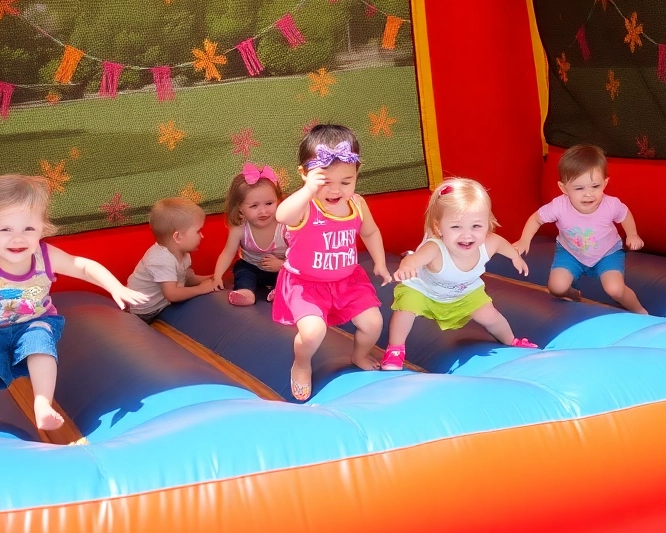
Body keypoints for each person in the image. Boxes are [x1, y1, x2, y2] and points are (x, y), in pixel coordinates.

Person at [0, 174, 147, 437]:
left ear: (42, 229)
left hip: (32, 321)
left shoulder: (45, 256)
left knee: (40, 344)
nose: (18, 239)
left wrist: (116, 287)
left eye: (28, 229)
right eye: (5, 230)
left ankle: (42, 403)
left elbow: (83, 266)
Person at [273, 124, 390, 401]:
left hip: (347, 281)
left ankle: (359, 354)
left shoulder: (358, 204)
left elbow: (370, 231)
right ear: (305, 174)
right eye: (326, 182)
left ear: (357, 174)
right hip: (306, 284)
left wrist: (380, 263)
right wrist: (307, 190)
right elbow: (281, 215)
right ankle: (301, 364)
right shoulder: (305, 206)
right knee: (313, 332)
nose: (336, 190)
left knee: (373, 323)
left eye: (346, 182)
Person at [381, 179, 538, 371]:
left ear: (487, 224)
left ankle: (512, 341)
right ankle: (395, 350)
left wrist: (515, 257)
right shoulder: (435, 248)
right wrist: (407, 266)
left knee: (492, 317)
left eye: (476, 226)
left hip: (464, 292)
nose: (467, 235)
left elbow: (501, 244)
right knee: (406, 309)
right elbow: (414, 259)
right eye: (456, 227)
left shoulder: (489, 243)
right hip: (425, 290)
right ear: (439, 228)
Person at [513, 144, 648, 314]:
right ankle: (574, 294)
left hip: (607, 252)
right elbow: (536, 219)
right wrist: (525, 239)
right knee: (556, 288)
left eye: (595, 186)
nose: (588, 194)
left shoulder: (611, 205)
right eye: (579, 188)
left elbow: (625, 214)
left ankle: (640, 311)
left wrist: (632, 234)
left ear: (605, 183)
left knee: (615, 289)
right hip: (570, 252)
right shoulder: (559, 206)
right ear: (564, 189)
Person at [126, 196, 217, 323]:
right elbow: (172, 294)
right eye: (198, 231)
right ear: (178, 237)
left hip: (163, 303)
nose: (202, 236)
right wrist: (201, 289)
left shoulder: (182, 252)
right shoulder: (161, 259)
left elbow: (188, 279)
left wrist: (212, 277)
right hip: (145, 311)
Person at [212, 162, 286, 306]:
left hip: (281, 267)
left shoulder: (284, 225)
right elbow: (228, 253)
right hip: (253, 267)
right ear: (240, 208)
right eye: (254, 206)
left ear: (278, 200)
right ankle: (246, 292)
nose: (263, 211)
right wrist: (217, 276)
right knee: (242, 270)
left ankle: (282, 291)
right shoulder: (240, 229)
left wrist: (282, 265)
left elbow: (300, 254)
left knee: (291, 275)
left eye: (269, 203)